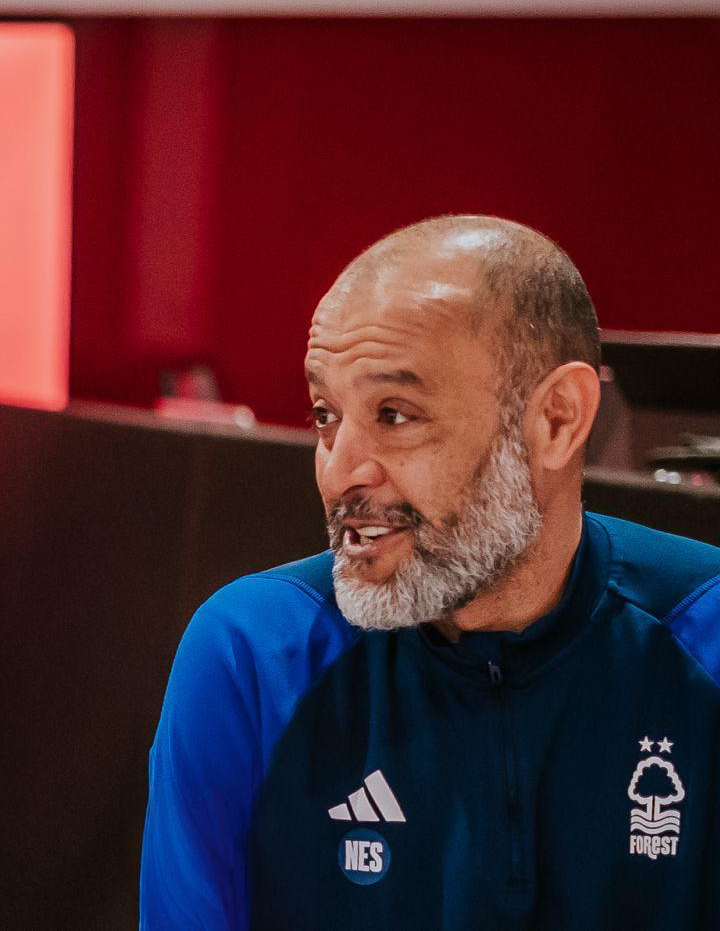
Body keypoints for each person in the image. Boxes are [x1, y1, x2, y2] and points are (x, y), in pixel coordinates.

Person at [140, 216, 720, 928]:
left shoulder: (704, 633)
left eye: (395, 414)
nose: (340, 473)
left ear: (558, 420)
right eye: (325, 415)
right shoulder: (255, 652)